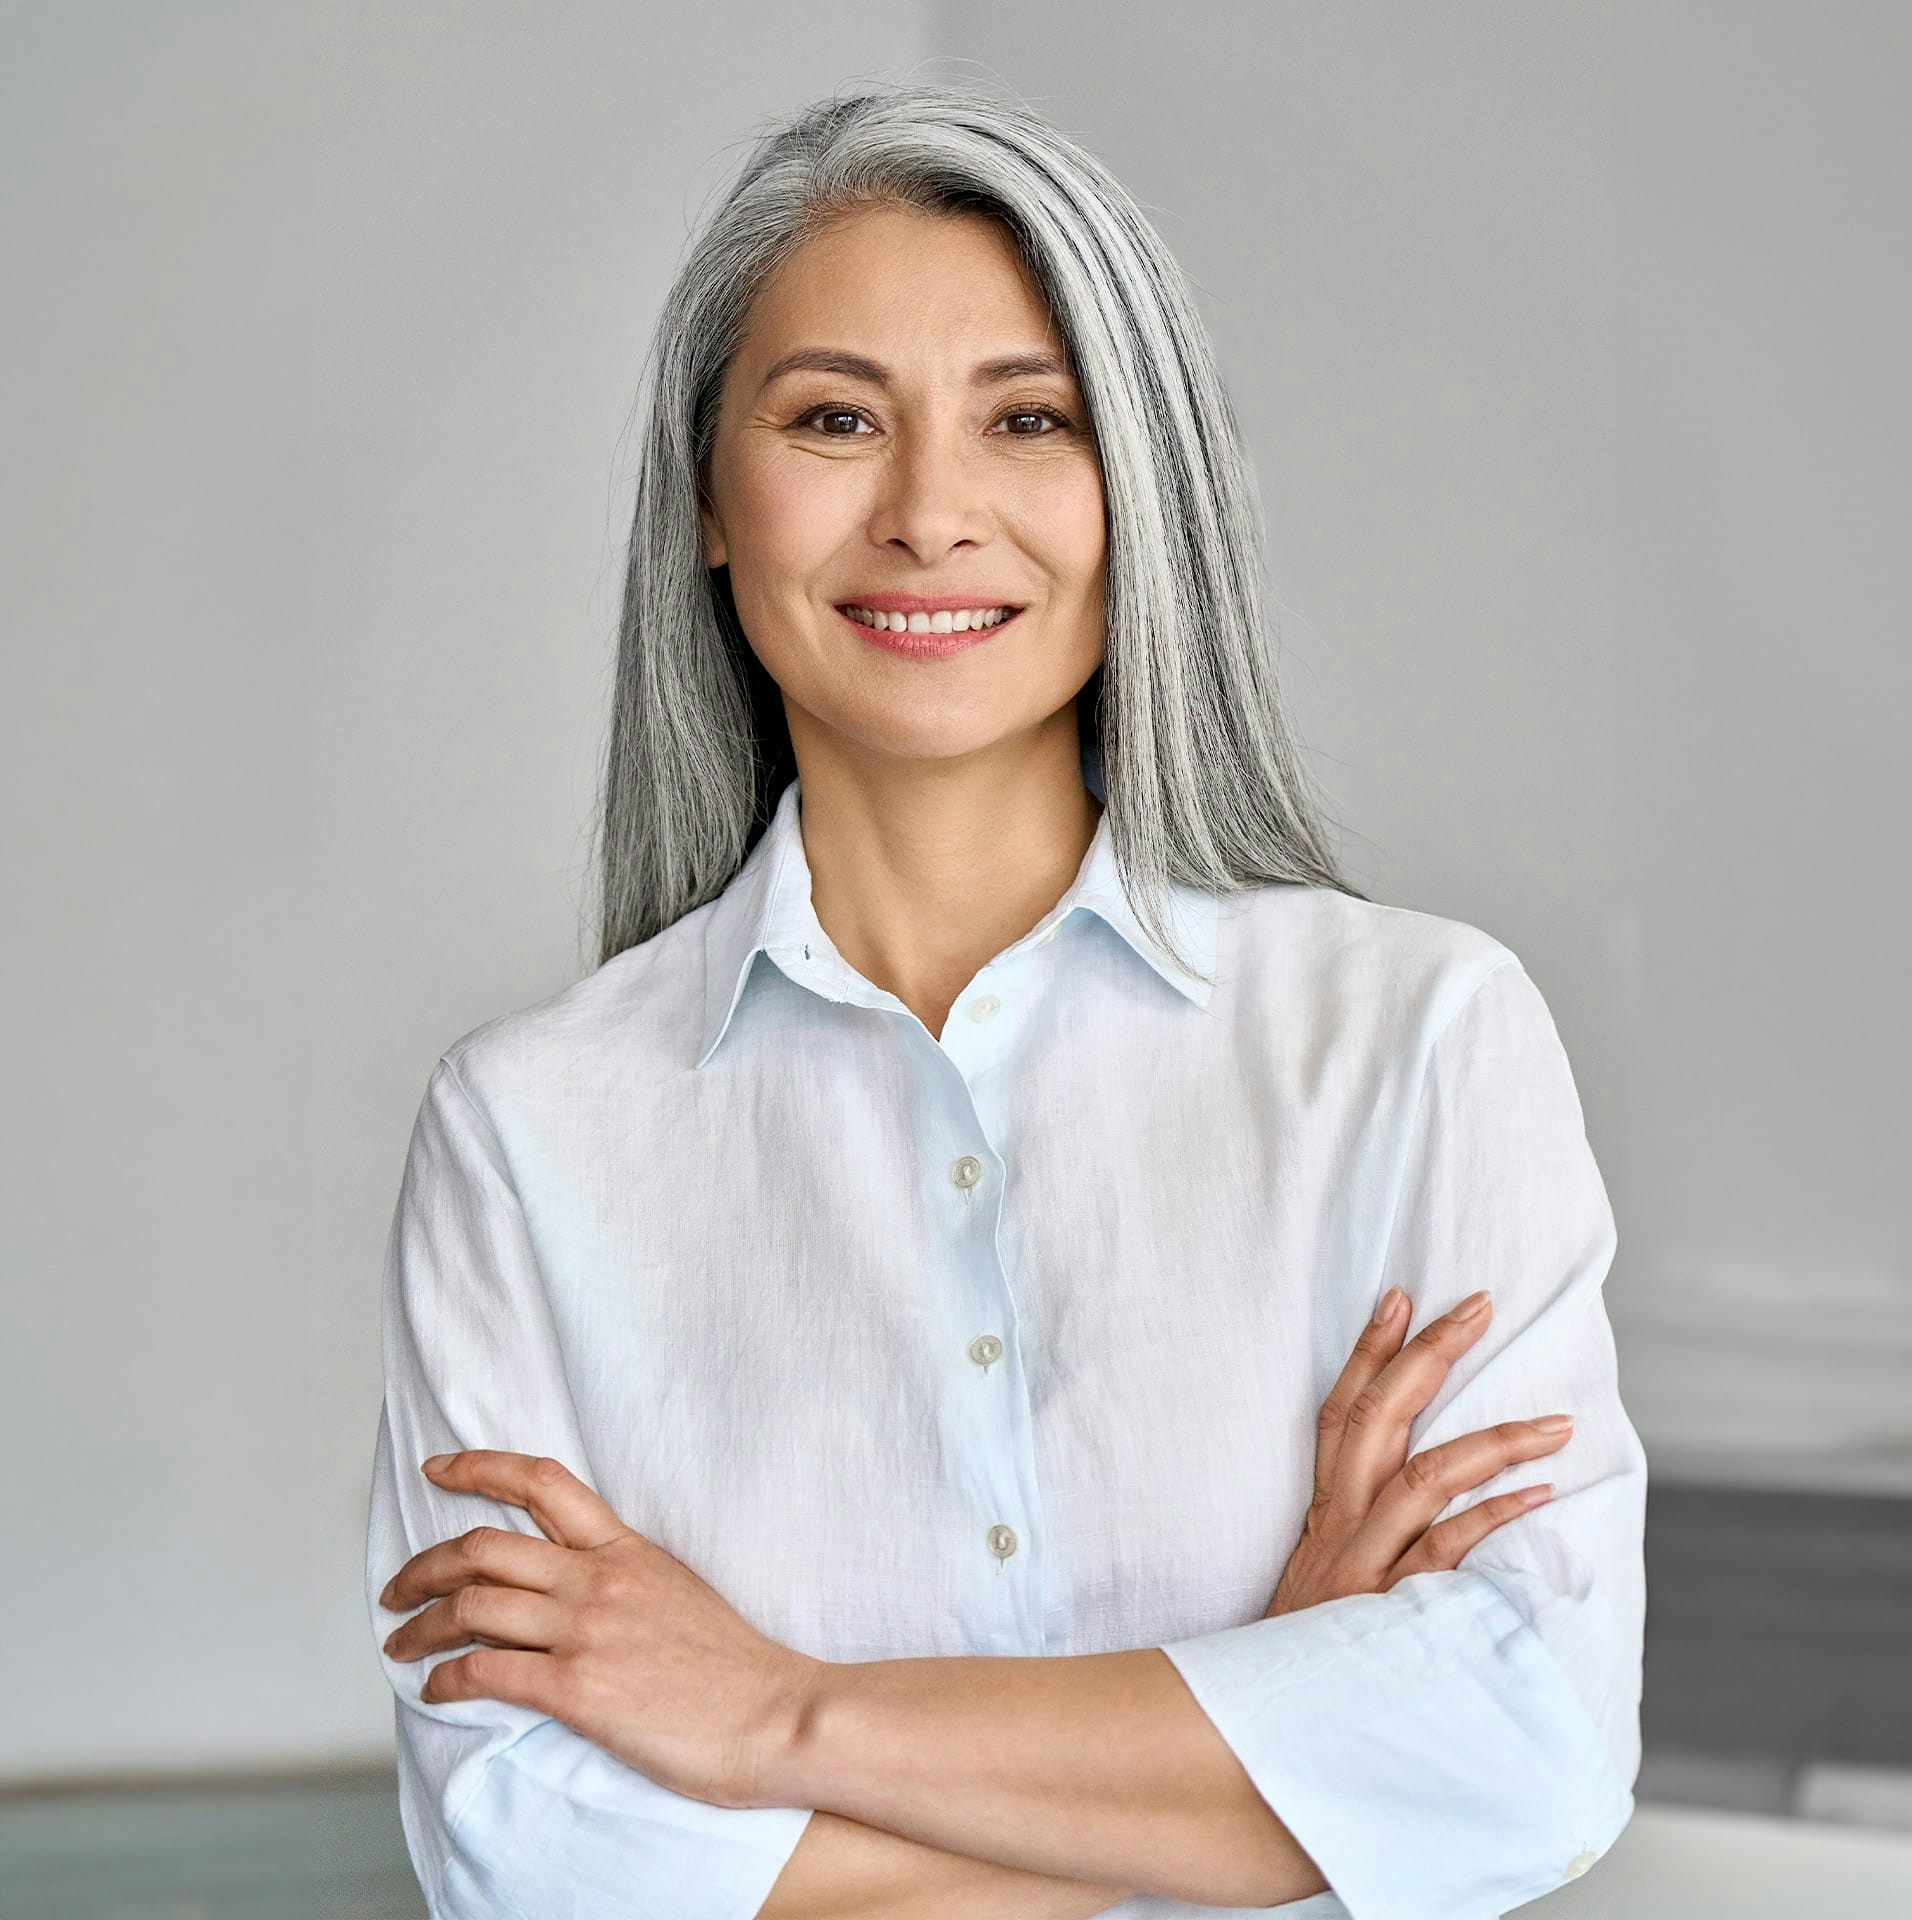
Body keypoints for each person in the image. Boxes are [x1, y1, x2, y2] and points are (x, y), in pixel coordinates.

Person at [365, 80, 1645, 1920]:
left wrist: (776, 1718)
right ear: (710, 502)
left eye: (1029, 419)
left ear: (1142, 492)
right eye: (833, 419)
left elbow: (1526, 1753)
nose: (929, 514)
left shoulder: (1421, 1042)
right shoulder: (525, 1132)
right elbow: (535, 1859)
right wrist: (1266, 1735)